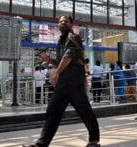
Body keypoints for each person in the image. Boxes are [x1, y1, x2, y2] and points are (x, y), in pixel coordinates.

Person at [23, 15, 100, 147]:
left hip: (75, 83)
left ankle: (94, 141)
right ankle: (41, 143)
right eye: (60, 21)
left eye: (66, 21)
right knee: (53, 112)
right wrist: (51, 61)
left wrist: (56, 74)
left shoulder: (73, 37)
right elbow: (62, 61)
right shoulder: (61, 40)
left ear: (71, 24)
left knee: (85, 112)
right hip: (63, 84)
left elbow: (69, 56)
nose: (62, 23)